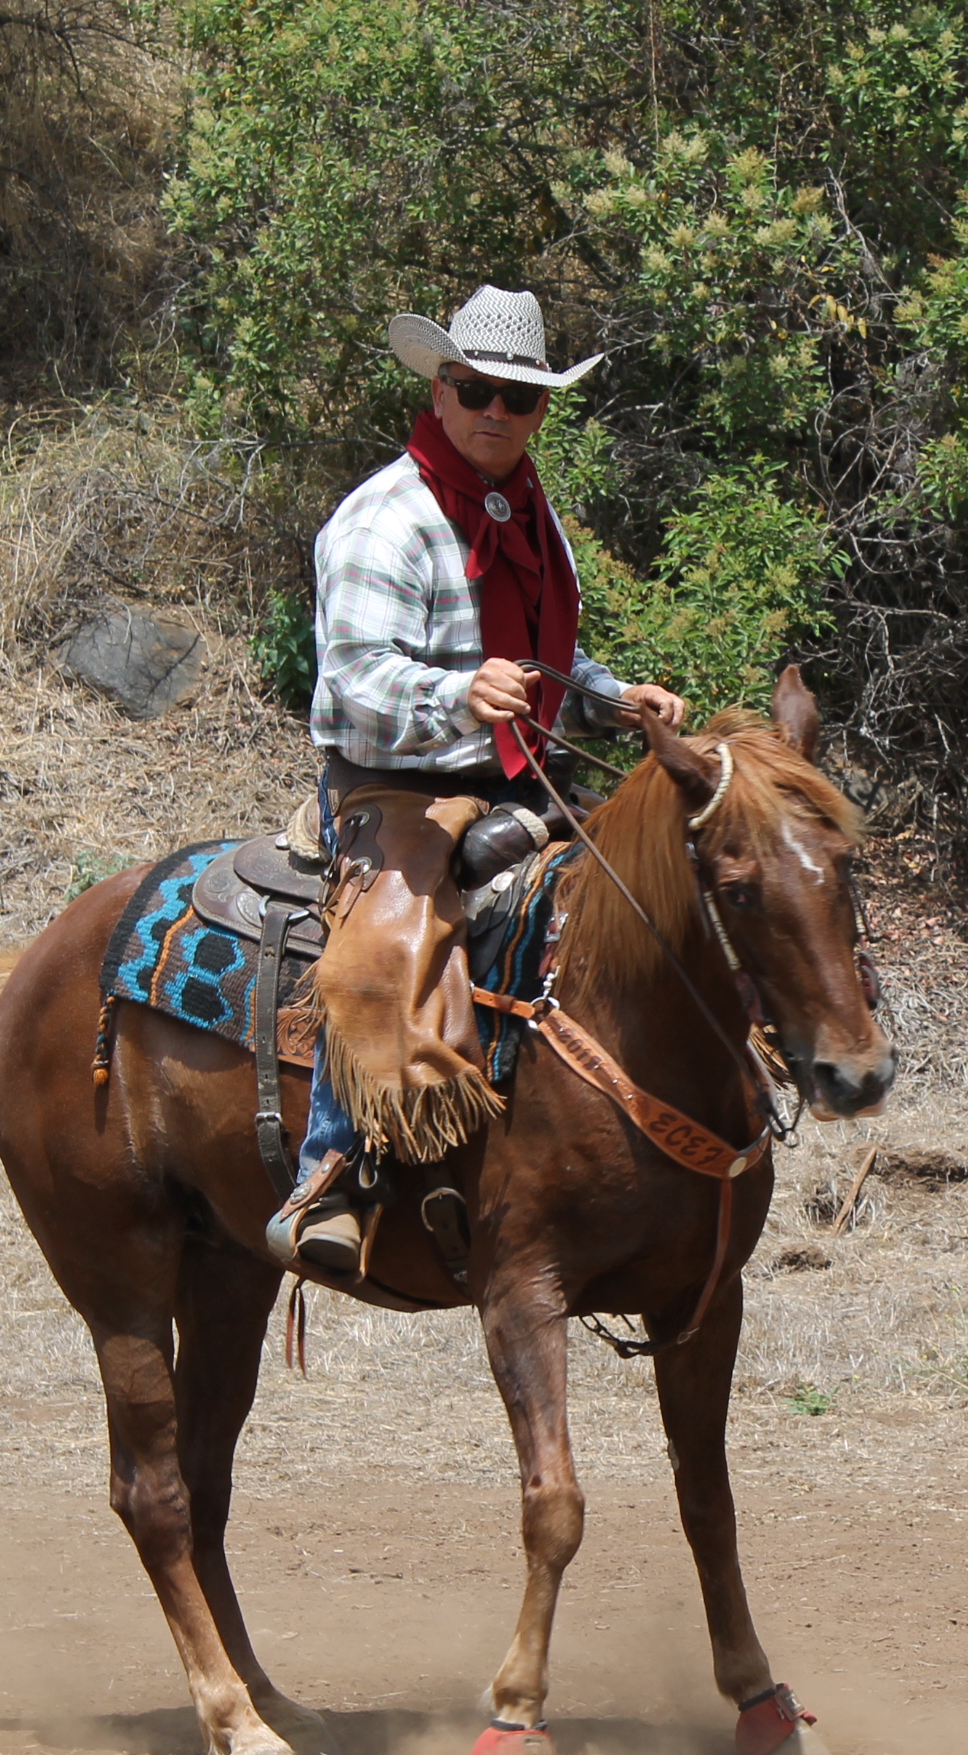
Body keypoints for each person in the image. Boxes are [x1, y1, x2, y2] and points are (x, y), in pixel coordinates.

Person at [268, 285, 688, 1278]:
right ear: (441, 388)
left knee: (659, 890)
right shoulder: (385, 520)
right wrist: (461, 695)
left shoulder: (531, 513)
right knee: (387, 940)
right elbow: (352, 684)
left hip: (518, 776)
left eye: (520, 397)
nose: (496, 411)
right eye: (476, 389)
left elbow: (548, 659)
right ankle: (333, 1171)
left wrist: (615, 697)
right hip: (396, 782)